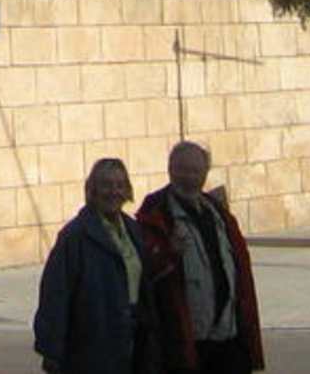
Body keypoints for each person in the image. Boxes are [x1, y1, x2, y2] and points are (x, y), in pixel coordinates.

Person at [138, 141, 264, 373]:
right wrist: (168, 253)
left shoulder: (218, 214)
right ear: (170, 170)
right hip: (185, 343)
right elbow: (143, 276)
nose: (188, 178)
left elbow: (241, 274)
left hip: (229, 337)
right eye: (181, 169)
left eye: (195, 171)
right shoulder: (155, 215)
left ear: (205, 173)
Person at [34, 157, 161, 374]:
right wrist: (51, 349)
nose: (113, 192)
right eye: (106, 185)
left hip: (132, 343)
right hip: (91, 346)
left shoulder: (133, 230)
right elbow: (55, 294)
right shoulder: (75, 236)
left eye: (119, 185)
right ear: (92, 189)